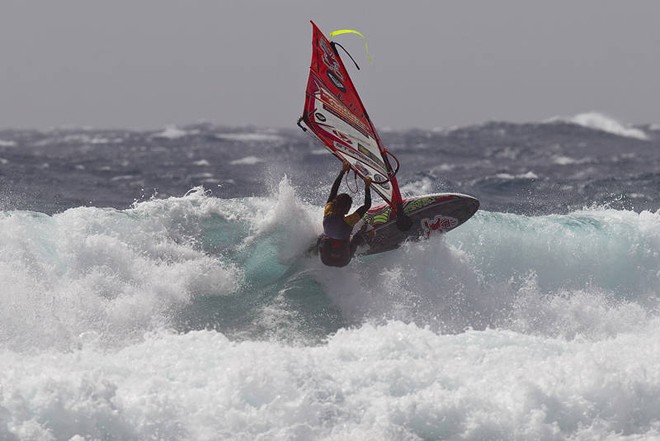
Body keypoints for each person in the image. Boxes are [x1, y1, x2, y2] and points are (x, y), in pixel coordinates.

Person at [318, 161, 372, 267]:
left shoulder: (327, 210)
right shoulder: (349, 220)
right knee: (356, 237)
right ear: (347, 210)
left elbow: (333, 191)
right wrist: (367, 186)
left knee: (323, 237)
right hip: (343, 261)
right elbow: (367, 205)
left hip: (325, 260)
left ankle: (311, 250)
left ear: (334, 203)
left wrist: (342, 172)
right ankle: (368, 236)